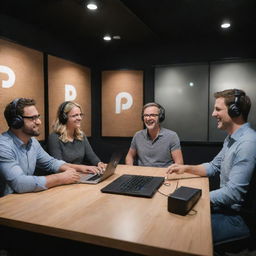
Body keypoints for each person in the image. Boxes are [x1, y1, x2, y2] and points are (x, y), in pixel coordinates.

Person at [167, 89, 256, 243]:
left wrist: (194, 197)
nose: (213, 114)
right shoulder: (231, 139)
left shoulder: (248, 143)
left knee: (180, 234)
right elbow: (213, 166)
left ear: (235, 111)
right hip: (224, 209)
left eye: (218, 109)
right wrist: (186, 168)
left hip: (237, 218)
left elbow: (233, 193)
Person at [0, 98, 100, 197]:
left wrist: (81, 168)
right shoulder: (3, 145)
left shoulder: (33, 142)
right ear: (16, 121)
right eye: (32, 118)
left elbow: (51, 163)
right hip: (7, 203)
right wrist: (60, 178)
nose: (39, 122)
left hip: (24, 197)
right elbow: (19, 183)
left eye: (38, 117)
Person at [47, 101, 105, 171]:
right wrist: (82, 168)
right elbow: (59, 165)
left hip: (79, 175)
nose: (80, 118)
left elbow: (91, 156)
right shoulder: (54, 137)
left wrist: (99, 163)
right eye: (75, 115)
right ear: (64, 118)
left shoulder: (81, 135)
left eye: (80, 115)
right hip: (64, 177)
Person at [125, 102, 183, 167]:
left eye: (152, 115)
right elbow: (129, 156)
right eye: (146, 115)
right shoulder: (137, 135)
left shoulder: (172, 136)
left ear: (160, 117)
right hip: (142, 175)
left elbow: (179, 163)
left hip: (163, 175)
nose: (148, 118)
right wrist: (130, 170)